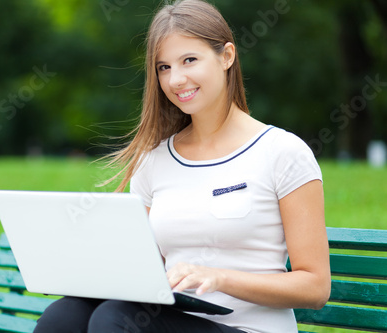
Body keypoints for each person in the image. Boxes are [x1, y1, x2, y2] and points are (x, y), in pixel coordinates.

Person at [33, 0, 331, 332]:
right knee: (64, 315)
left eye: (189, 60)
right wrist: (80, 275)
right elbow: (140, 274)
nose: (176, 79)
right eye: (164, 67)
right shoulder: (154, 161)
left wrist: (219, 278)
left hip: (251, 328)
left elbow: (315, 288)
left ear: (227, 56)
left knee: (115, 319)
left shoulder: (282, 152)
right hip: (171, 322)